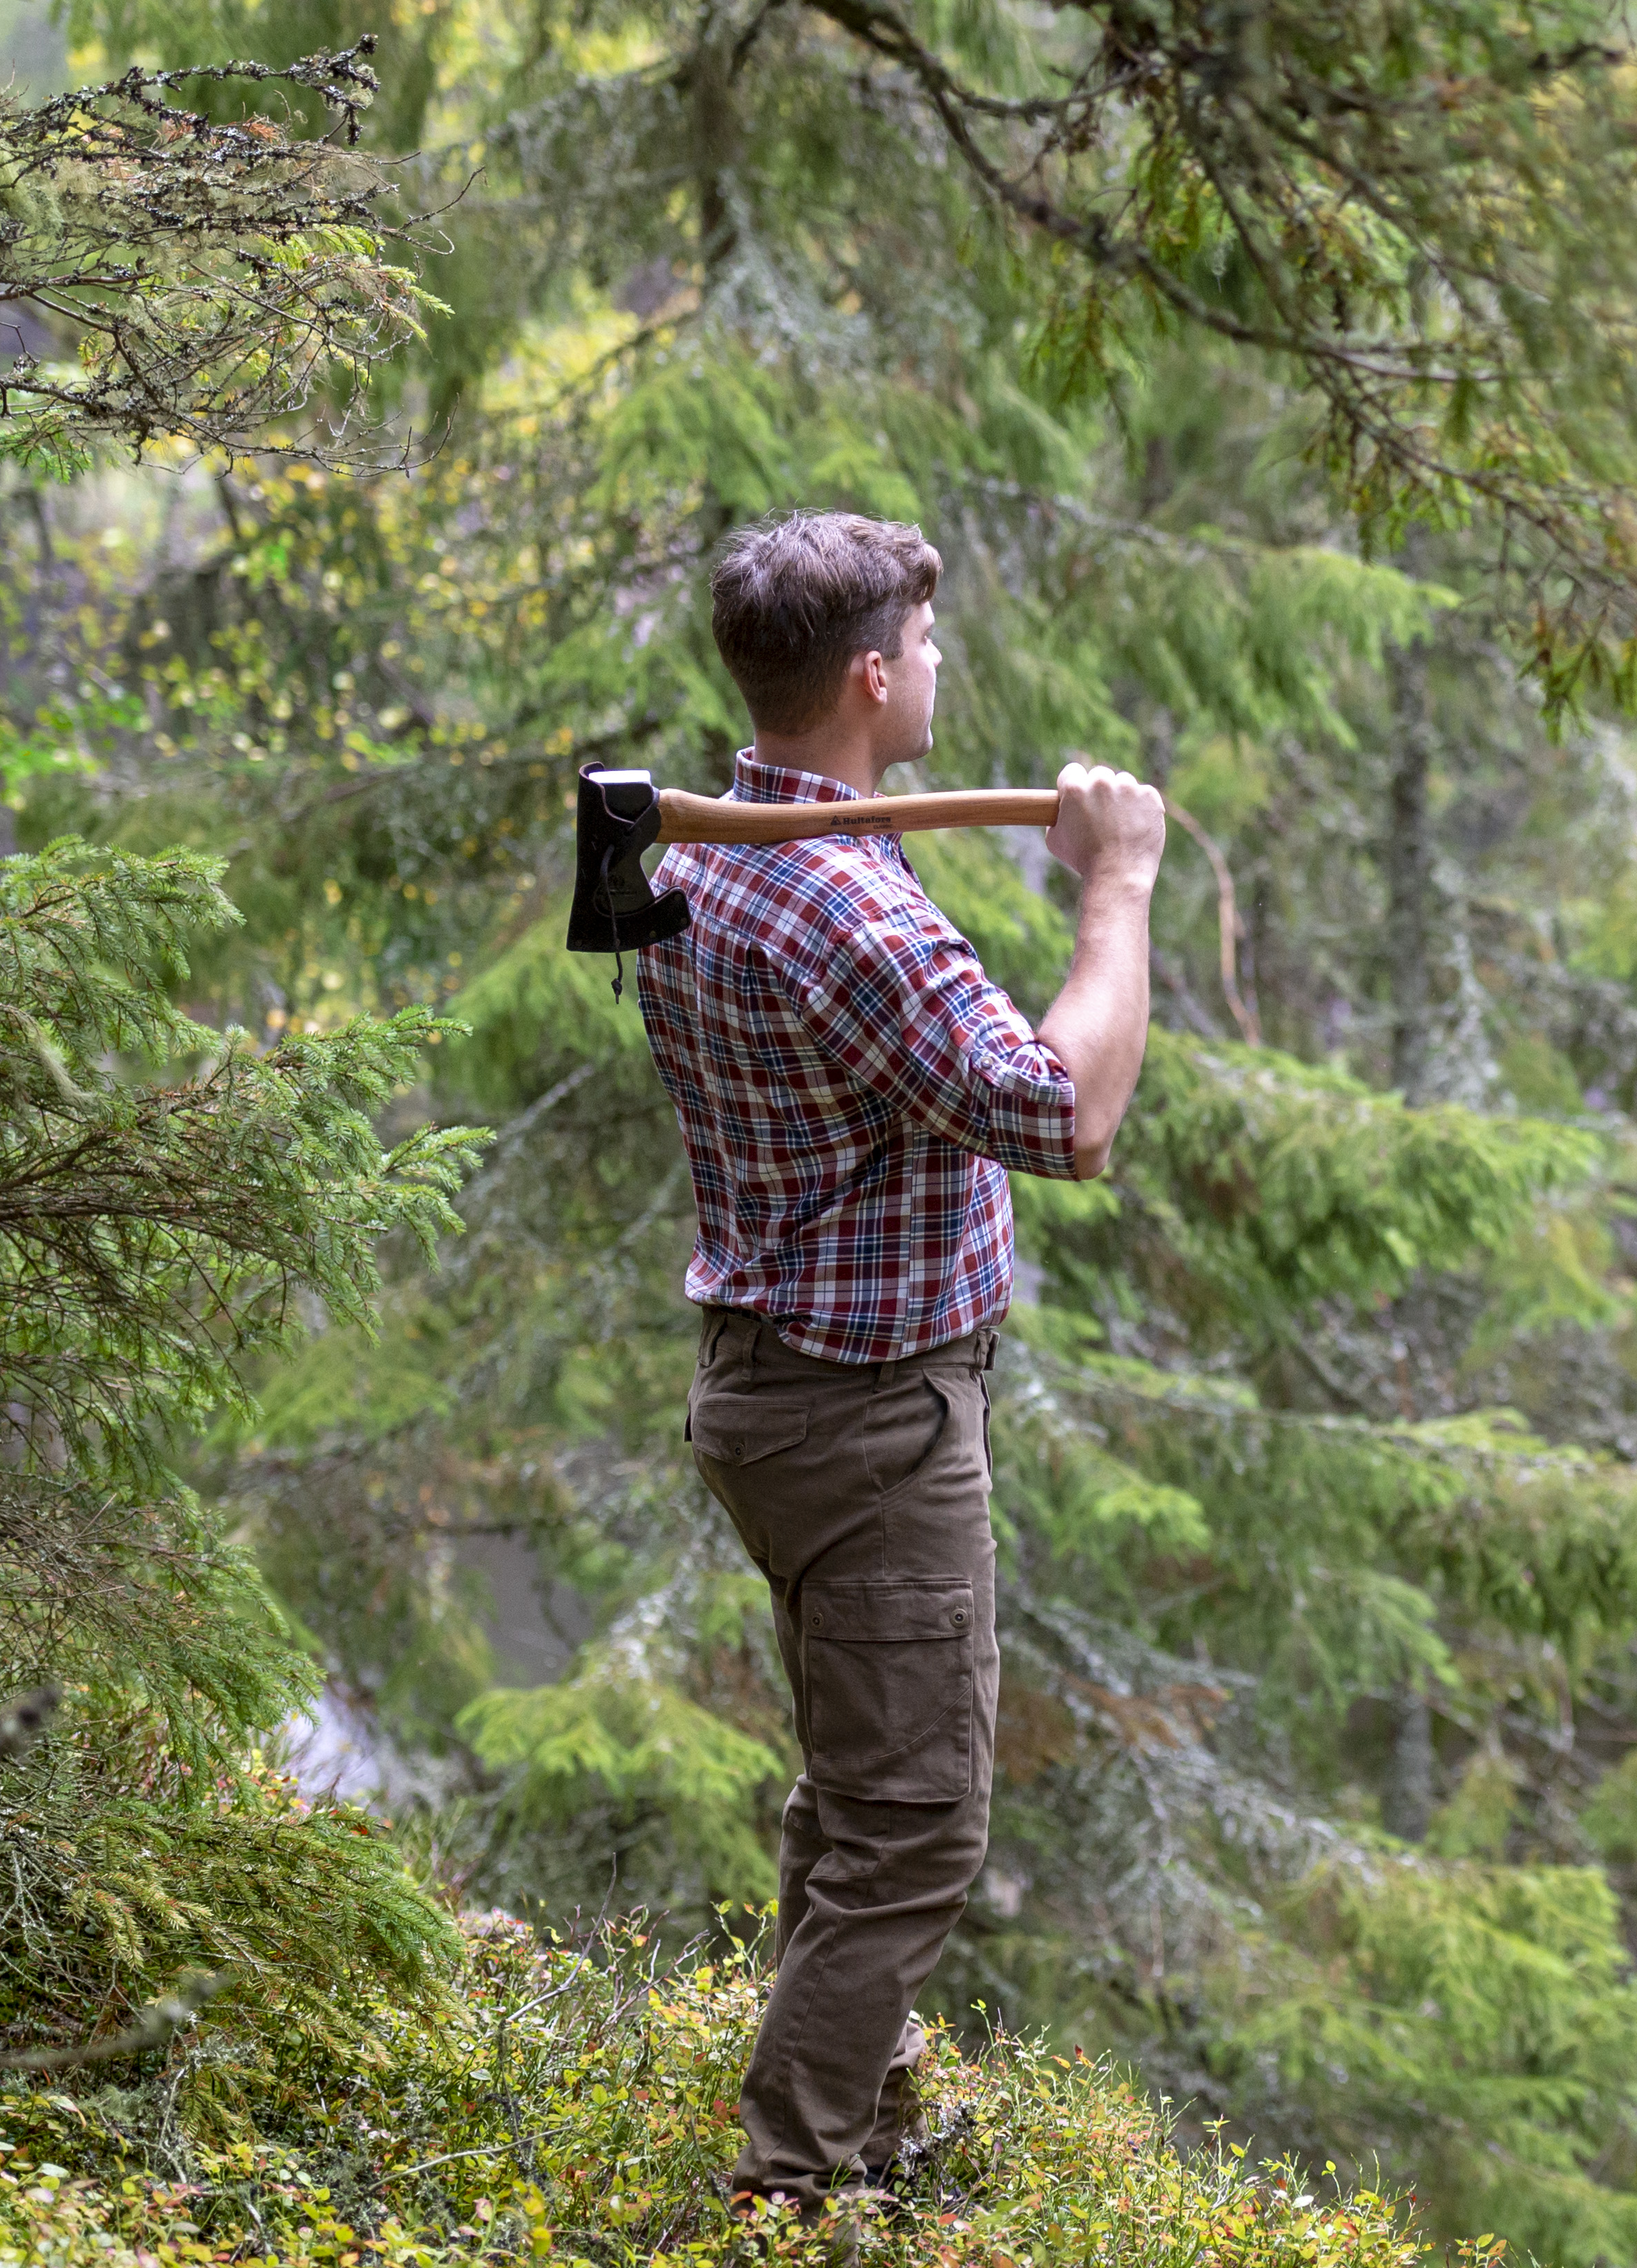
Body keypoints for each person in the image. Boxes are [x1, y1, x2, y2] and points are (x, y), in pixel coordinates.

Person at [628, 509, 1164, 2211]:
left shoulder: (710, 852)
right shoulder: (845, 911)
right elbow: (1064, 1116)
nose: (941, 664)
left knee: (861, 1791)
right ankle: (790, 2191)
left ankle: (849, 2123)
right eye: (926, 644)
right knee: (918, 1824)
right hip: (864, 1419)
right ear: (872, 677)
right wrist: (1119, 884)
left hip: (777, 1389)